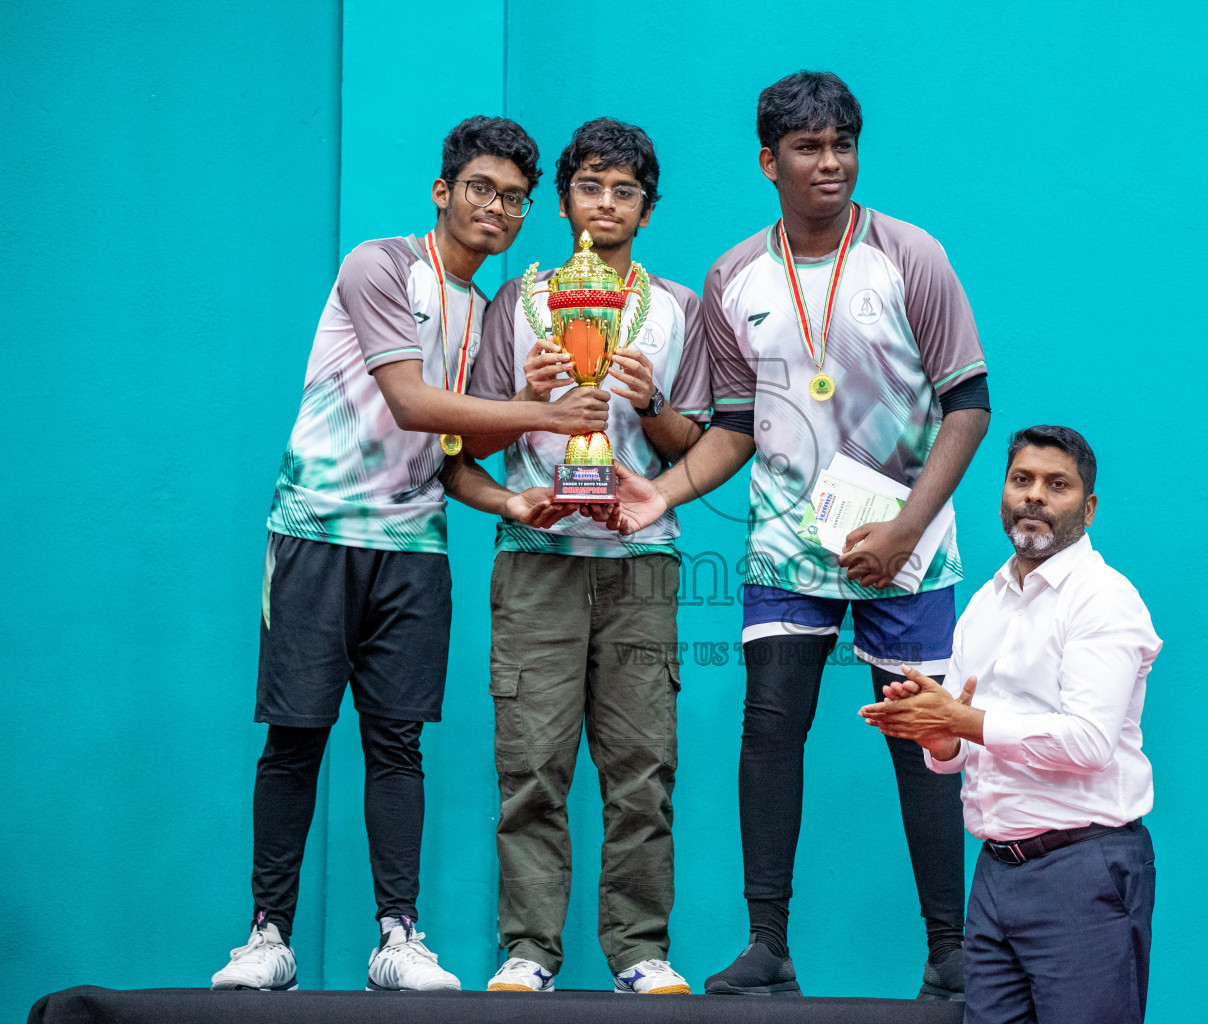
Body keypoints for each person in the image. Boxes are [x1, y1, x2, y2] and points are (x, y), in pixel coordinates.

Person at [593, 70, 991, 998]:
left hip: (908, 545)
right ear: (769, 161)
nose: (830, 164)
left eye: (843, 145)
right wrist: (661, 491)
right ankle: (767, 945)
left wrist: (903, 527)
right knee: (770, 731)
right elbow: (733, 424)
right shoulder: (736, 276)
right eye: (808, 149)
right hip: (786, 547)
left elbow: (968, 407)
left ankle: (951, 952)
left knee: (922, 740)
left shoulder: (911, 256)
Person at [210, 116, 610, 993]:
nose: (496, 210)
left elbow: (452, 457)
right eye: (480, 190)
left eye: (513, 200)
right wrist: (545, 416)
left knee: (397, 744)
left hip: (414, 550)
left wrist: (509, 498)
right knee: (297, 738)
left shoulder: (491, 311)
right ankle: (265, 937)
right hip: (318, 531)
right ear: (443, 191)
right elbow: (412, 403)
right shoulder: (380, 265)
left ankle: (399, 937)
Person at [462, 118, 711, 996]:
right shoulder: (515, 302)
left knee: (643, 767)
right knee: (530, 765)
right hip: (537, 555)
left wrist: (653, 406)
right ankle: (529, 950)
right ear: (563, 199)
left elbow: (701, 446)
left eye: (625, 191)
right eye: (590, 186)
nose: (606, 205)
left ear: (648, 209)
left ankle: (639, 951)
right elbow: (463, 443)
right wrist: (524, 402)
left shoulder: (678, 308)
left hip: (641, 560)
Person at [860, 425, 1162, 1024]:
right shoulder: (984, 604)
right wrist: (939, 737)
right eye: (1021, 480)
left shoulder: (1103, 598)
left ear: (1089, 507)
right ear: (1002, 494)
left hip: (1083, 869)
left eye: (1057, 485)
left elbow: (1088, 742)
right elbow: (960, 747)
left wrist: (965, 720)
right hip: (996, 873)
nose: (1035, 497)